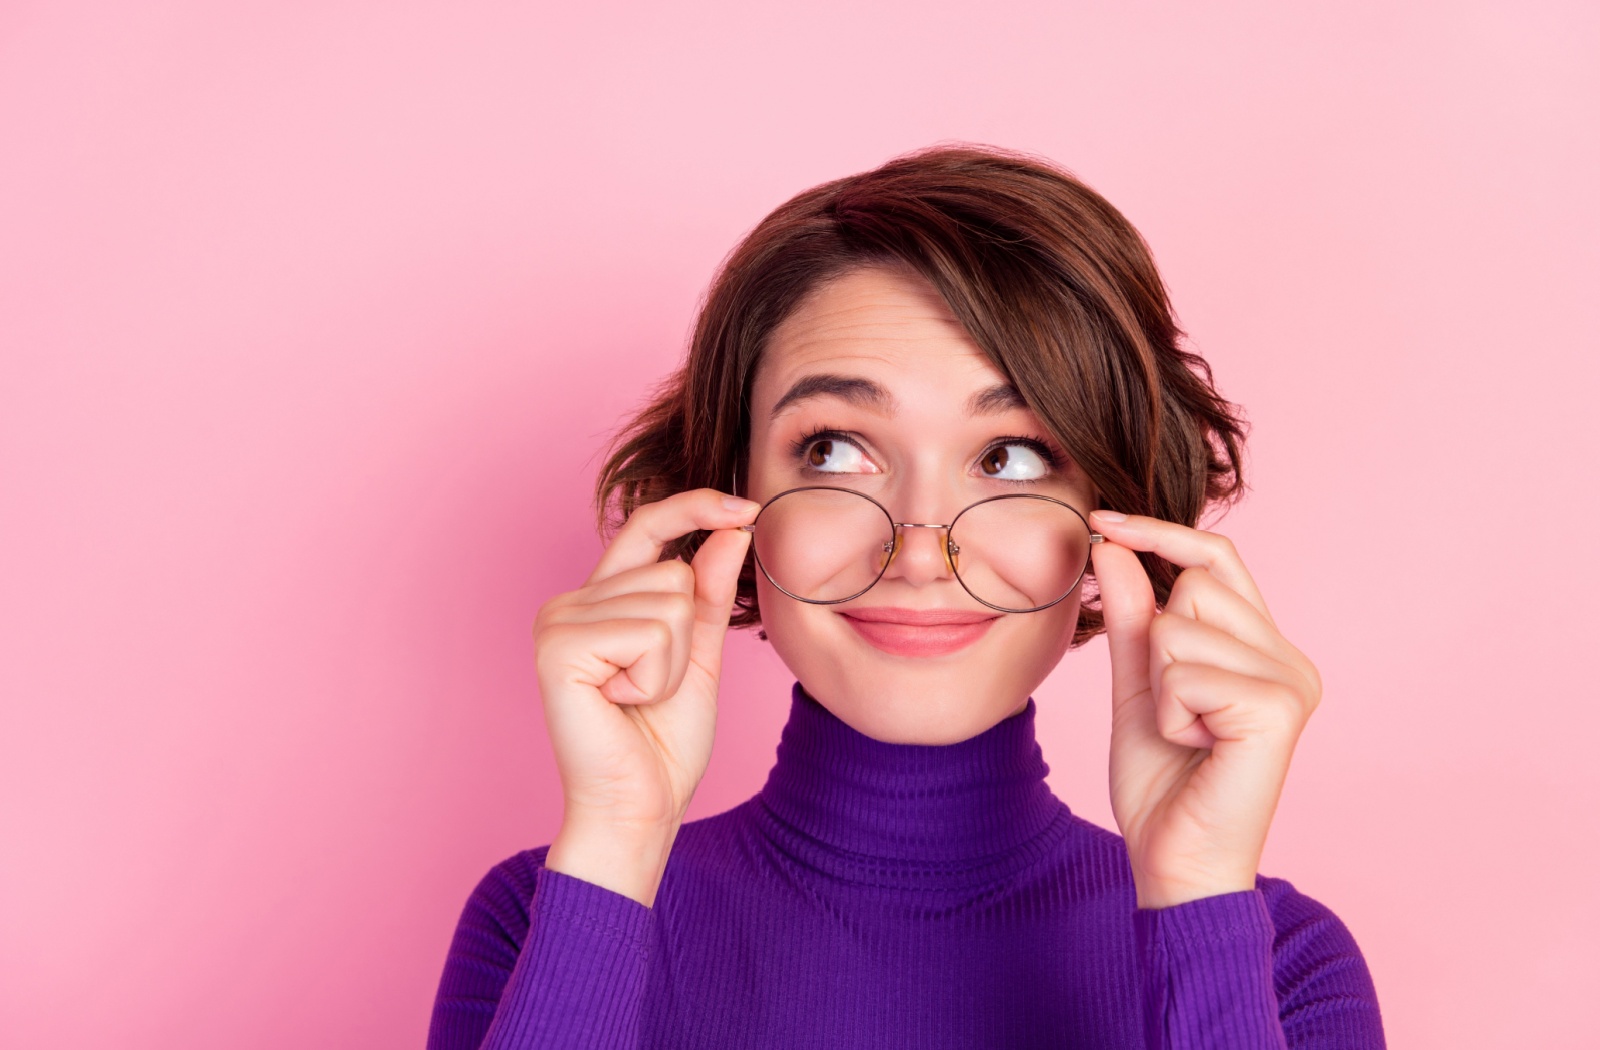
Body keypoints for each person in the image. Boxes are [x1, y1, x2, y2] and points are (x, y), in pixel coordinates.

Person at [426, 145, 1386, 1049]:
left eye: (1010, 458)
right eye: (834, 450)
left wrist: (1196, 899)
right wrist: (614, 847)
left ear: (1111, 512)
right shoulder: (544, 917)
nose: (919, 551)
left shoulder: (1280, 964)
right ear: (730, 495)